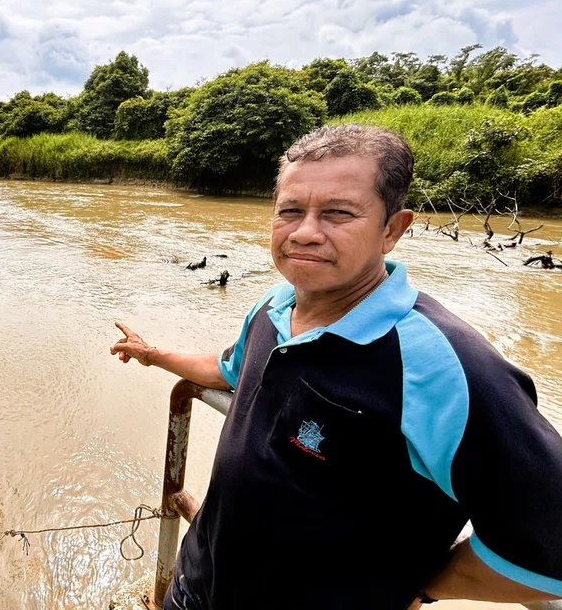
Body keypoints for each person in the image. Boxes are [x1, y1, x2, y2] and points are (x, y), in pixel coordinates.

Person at [110, 124, 562, 609]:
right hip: (196, 588)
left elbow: (549, 549)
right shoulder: (274, 308)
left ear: (392, 229)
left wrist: (423, 584)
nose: (305, 232)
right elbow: (229, 369)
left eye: (338, 213)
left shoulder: (443, 366)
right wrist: (153, 355)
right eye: (290, 211)